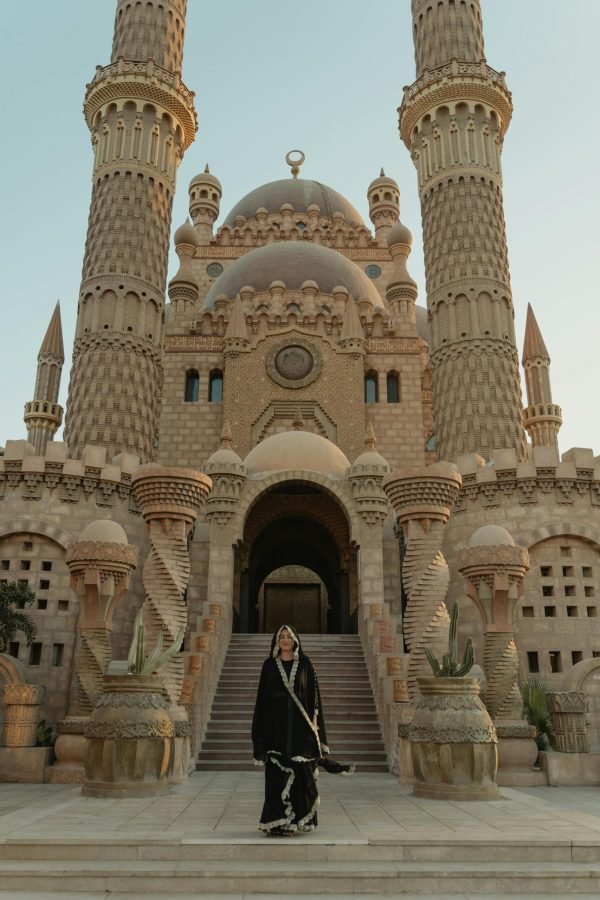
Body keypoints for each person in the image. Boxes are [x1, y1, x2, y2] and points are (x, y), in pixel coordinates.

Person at [251, 624, 327, 836]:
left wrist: (314, 726)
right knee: (276, 775)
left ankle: (297, 821)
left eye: (288, 636)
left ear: (295, 640)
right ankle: (276, 823)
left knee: (301, 773)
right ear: (277, 640)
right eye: (281, 636)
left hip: (300, 729)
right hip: (275, 728)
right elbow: (262, 699)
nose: (285, 640)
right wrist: (260, 733)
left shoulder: (305, 664)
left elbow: (314, 698)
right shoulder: (269, 665)